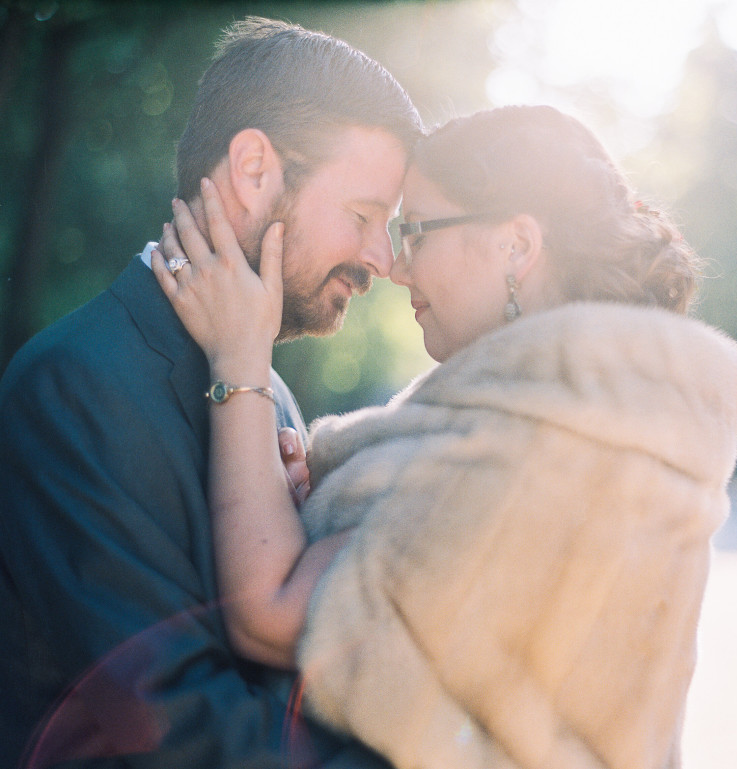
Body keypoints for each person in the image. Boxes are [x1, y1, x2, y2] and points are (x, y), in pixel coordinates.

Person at [154, 105, 737, 769]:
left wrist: (240, 360)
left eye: (415, 232)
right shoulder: (610, 427)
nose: (397, 268)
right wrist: (325, 504)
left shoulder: (526, 450)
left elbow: (268, 614)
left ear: (517, 246)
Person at [0, 17, 422, 769]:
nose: (381, 259)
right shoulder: (73, 385)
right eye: (363, 218)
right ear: (255, 169)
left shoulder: (269, 392)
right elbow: (176, 721)